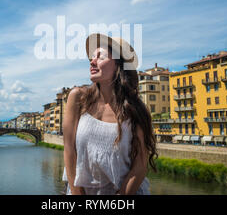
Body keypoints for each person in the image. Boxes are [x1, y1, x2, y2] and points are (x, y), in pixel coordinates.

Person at [62, 33, 158, 195]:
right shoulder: (78, 97)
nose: (92, 62)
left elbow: (140, 164)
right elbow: (69, 150)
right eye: (92, 57)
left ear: (118, 66)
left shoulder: (136, 109)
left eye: (101, 57)